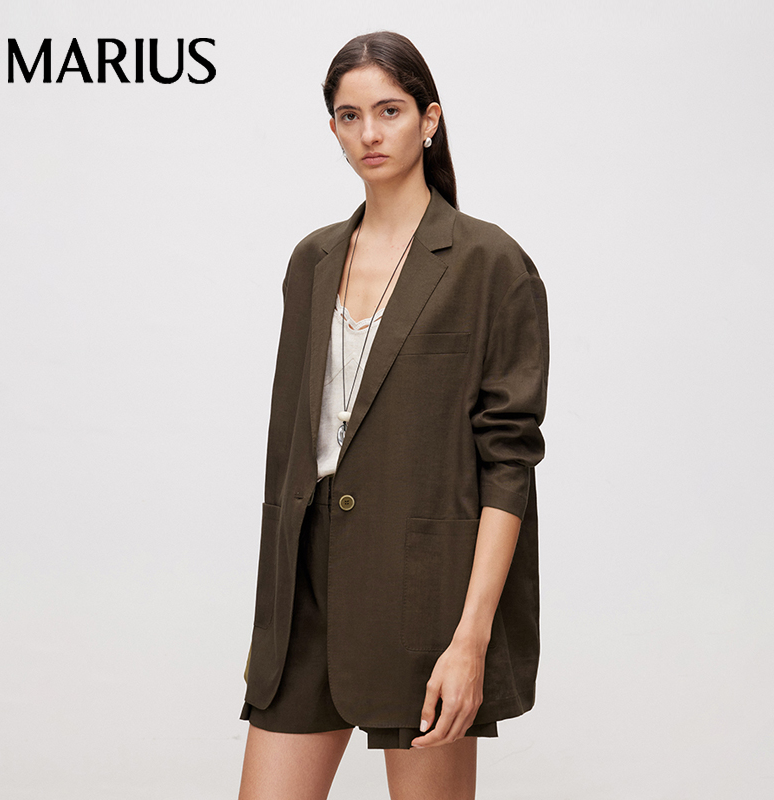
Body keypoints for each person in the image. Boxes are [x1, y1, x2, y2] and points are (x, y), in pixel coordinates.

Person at [237, 31, 549, 800]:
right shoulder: (312, 261)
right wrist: (273, 612)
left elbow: (508, 463)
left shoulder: (489, 264)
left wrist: (470, 639)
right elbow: (293, 443)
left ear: (428, 120)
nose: (369, 133)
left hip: (426, 595)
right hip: (306, 593)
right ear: (333, 129)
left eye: (389, 111)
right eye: (350, 116)